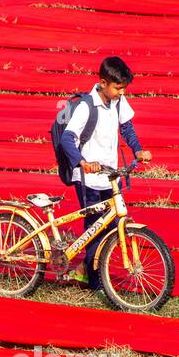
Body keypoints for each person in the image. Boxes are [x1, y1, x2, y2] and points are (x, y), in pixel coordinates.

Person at [59, 56, 153, 289]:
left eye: (123, 88)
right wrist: (82, 162)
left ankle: (85, 270)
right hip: (89, 179)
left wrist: (138, 150)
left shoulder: (118, 102)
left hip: (111, 176)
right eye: (118, 88)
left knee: (111, 226)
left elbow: (126, 127)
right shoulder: (86, 106)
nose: (121, 92)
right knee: (94, 229)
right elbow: (67, 138)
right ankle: (94, 282)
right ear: (103, 82)